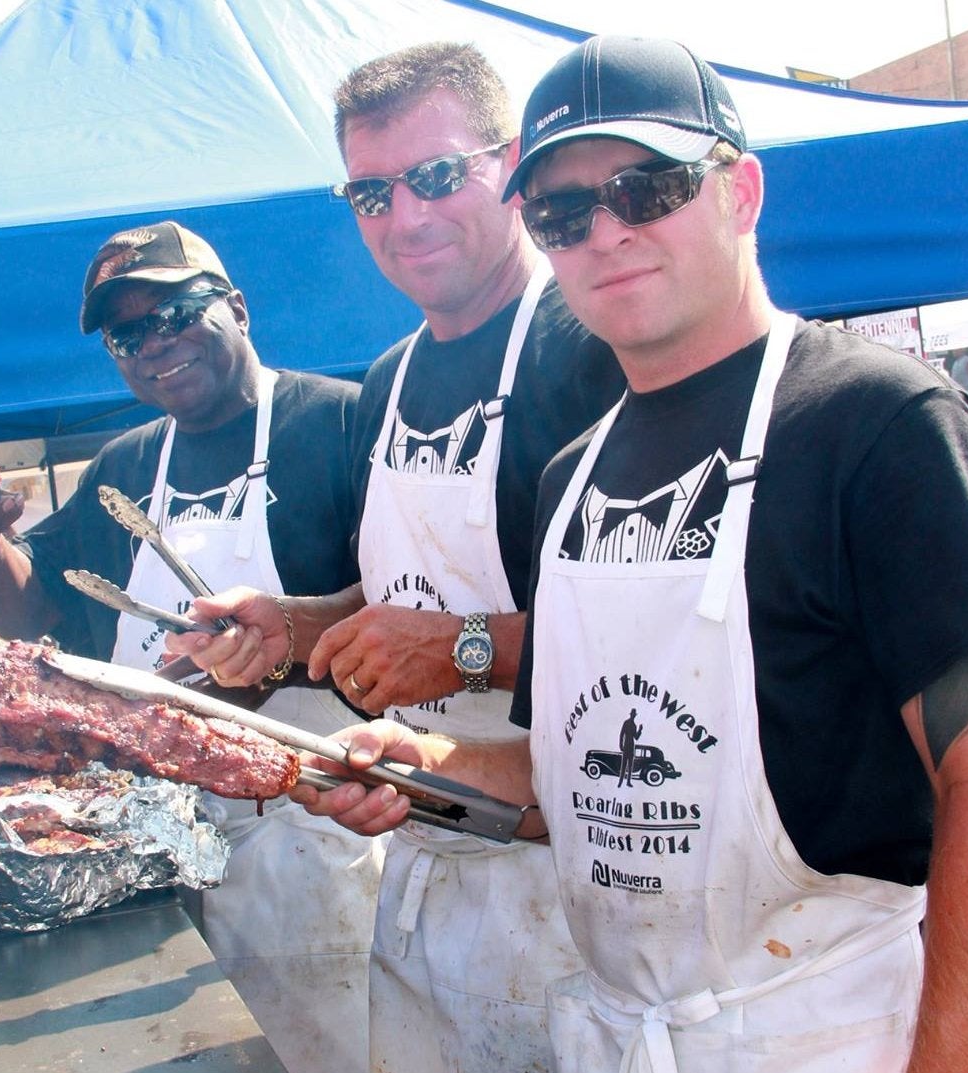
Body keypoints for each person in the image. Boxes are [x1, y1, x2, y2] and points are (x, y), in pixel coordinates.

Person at [287, 35, 968, 1073]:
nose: (605, 231)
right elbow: (582, 784)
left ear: (740, 190)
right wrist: (432, 767)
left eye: (647, 188)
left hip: (823, 1031)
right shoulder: (573, 477)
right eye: (563, 212)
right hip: (612, 1032)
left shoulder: (877, 422)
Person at [166, 41, 626, 1073]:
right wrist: (293, 625)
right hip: (421, 851)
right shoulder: (386, 382)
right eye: (371, 191)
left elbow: (666, 635)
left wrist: (463, 651)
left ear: (509, 166)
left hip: (579, 878)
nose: (405, 217)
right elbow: (398, 590)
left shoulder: (592, 348)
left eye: (435, 176)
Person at [0, 220, 382, 1073]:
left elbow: (410, 598)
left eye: (175, 312)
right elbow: (35, 619)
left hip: (313, 838)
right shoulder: (125, 465)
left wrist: (285, 632)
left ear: (236, 307)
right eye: (126, 334)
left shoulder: (339, 421)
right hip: (152, 839)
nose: (154, 344)